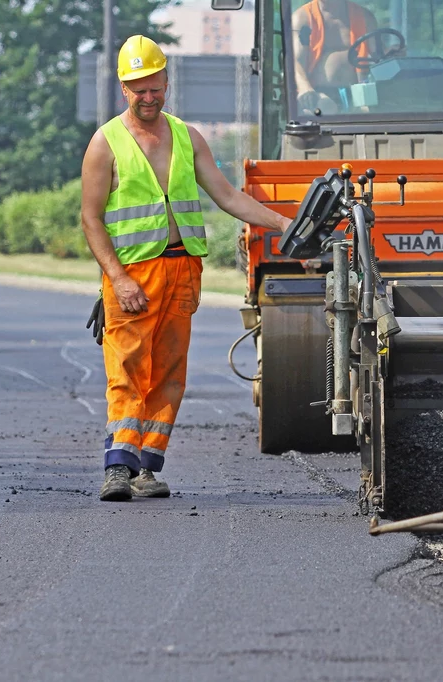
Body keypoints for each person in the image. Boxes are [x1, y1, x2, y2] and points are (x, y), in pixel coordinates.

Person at [80, 35, 291, 502]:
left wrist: (282, 223)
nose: (148, 96)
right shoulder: (105, 143)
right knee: (127, 367)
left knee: (170, 373)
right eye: (139, 89)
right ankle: (118, 464)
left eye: (155, 86)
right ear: (124, 89)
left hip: (182, 273)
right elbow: (90, 218)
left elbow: (228, 196)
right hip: (133, 276)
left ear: (166, 83)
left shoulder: (186, 136)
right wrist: (117, 277)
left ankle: (146, 468)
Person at [292, 0, 379, 114]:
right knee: (325, 109)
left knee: (371, 113)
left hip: (360, 91)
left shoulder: (365, 16)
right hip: (319, 93)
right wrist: (305, 88)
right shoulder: (302, 17)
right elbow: (295, 61)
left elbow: (378, 55)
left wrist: (393, 52)